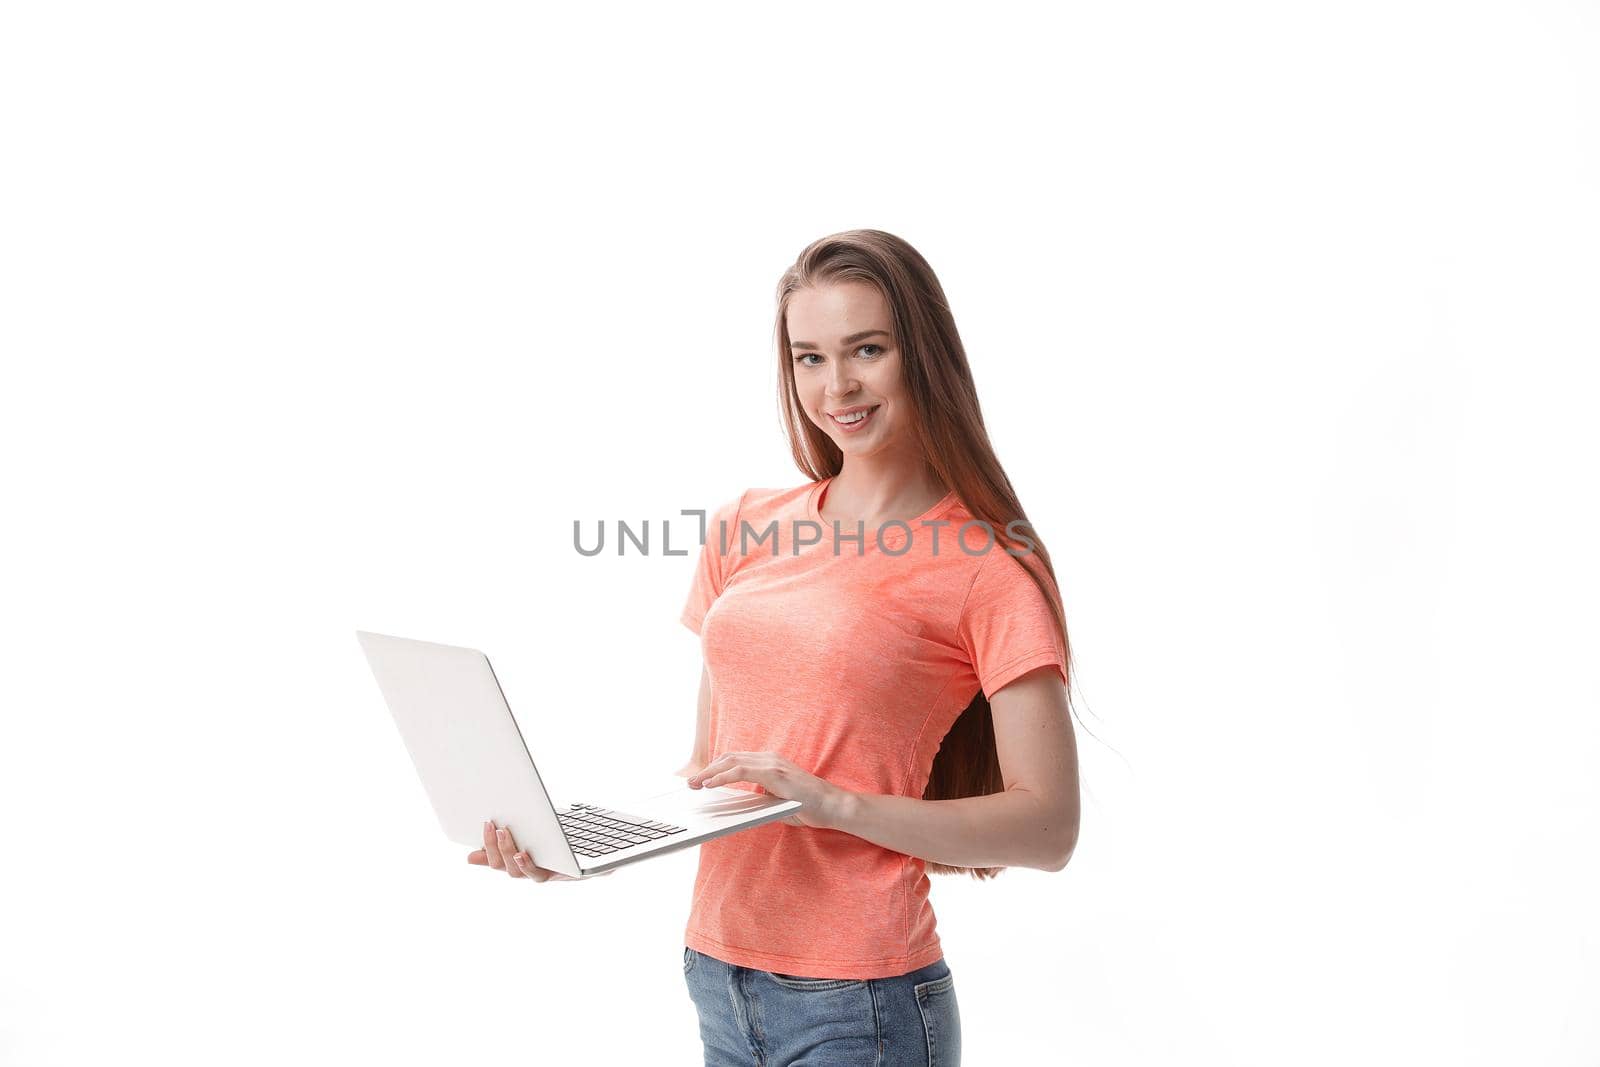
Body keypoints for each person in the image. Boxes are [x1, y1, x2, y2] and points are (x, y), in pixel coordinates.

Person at [471, 229, 1081, 1067]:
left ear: (925, 355)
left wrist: (836, 804)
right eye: (809, 357)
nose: (839, 387)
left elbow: (1050, 826)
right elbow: (711, 773)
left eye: (868, 349)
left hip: (861, 1001)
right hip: (718, 969)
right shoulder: (745, 526)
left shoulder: (985, 565)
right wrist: (585, 846)